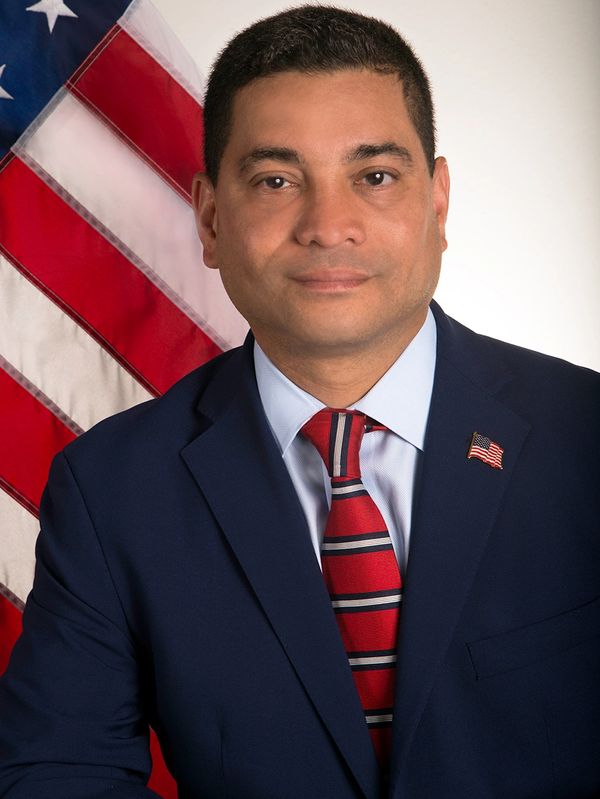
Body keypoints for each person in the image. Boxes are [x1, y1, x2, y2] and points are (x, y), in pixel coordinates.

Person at [0, 5, 598, 798]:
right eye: (277, 180)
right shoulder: (110, 490)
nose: (328, 224)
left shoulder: (585, 437)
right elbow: (60, 773)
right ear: (210, 219)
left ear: (438, 202)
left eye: (374, 176)